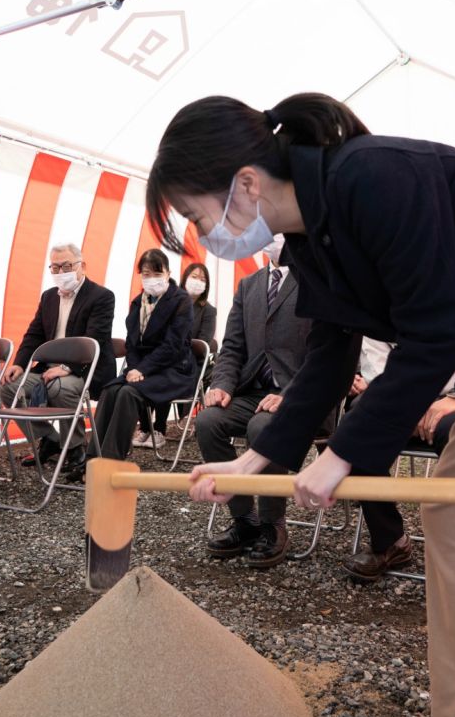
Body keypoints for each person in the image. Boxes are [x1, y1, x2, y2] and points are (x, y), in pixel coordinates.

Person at [144, 92, 455, 717]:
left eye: (196, 214)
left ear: (243, 182)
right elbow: (330, 354)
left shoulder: (372, 177)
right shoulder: (311, 234)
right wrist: (261, 455)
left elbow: (433, 333)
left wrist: (343, 455)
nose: (201, 235)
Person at [195, 235, 313, 568]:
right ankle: (244, 518)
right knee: (208, 421)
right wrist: (221, 385)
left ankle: (273, 524)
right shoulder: (249, 286)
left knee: (264, 426)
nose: (272, 237)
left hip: (301, 396)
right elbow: (232, 347)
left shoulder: (315, 281)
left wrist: (290, 395)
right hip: (253, 392)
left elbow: (324, 354)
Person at [343, 339, 455, 582]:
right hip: (400, 399)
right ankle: (389, 541)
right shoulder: (377, 309)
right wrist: (415, 406)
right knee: (357, 431)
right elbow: (379, 372)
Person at [0, 242, 116, 476]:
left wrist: (66, 366)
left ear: (82, 266)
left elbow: (96, 338)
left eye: (67, 266)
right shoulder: (48, 297)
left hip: (84, 369)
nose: (61, 273)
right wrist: (20, 364)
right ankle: (50, 439)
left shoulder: (101, 296)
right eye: (55, 267)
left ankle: (74, 449)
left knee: (60, 387)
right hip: (47, 368)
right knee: (9, 389)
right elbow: (34, 334)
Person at [76, 248, 195, 473]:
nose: (151, 279)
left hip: (174, 369)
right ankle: (92, 458)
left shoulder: (181, 301)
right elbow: (131, 344)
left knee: (128, 393)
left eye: (156, 273)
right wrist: (134, 368)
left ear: (168, 273)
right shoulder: (137, 302)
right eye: (146, 273)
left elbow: (173, 346)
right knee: (110, 390)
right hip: (142, 369)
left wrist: (143, 369)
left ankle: (110, 463)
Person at [145, 261, 217, 445]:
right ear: (185, 278)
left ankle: (159, 429)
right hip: (167, 354)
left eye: (202, 279)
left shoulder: (208, 311)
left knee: (166, 372)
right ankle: (145, 428)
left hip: (190, 361)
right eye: (194, 276)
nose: (198, 281)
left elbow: (204, 342)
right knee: (140, 370)